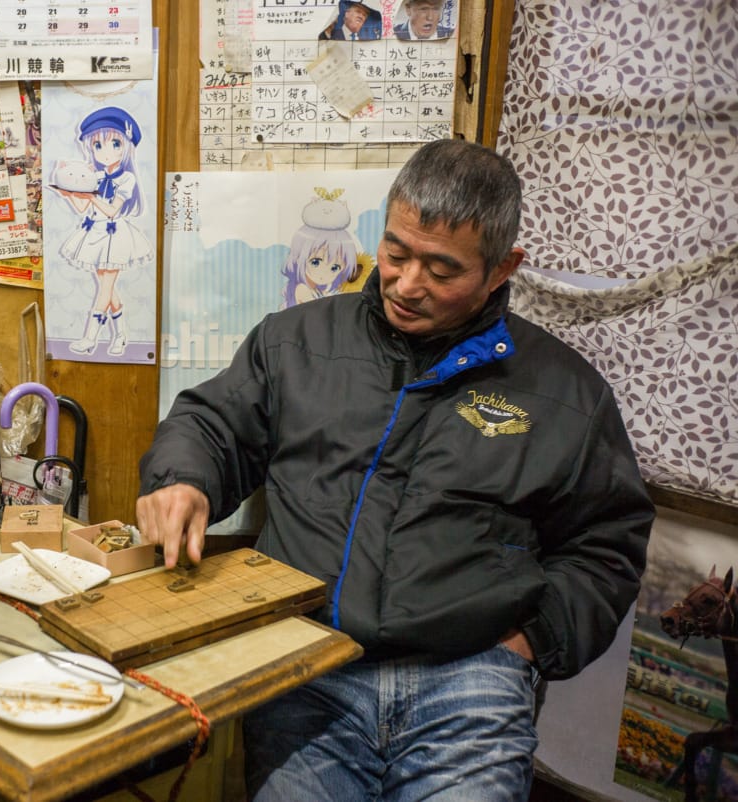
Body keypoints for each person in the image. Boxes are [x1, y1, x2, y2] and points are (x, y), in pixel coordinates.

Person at [136, 139, 653, 801]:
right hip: (307, 667)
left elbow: (606, 546)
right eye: (397, 252)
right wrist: (181, 478)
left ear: (502, 268)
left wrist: (533, 640)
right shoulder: (297, 341)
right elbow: (211, 425)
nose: (407, 285)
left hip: (470, 679)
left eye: (442, 269)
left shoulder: (565, 393)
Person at [52, 106, 154, 356]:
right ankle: (120, 335)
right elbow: (81, 206)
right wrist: (66, 193)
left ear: (126, 145)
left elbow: (112, 211)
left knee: (105, 288)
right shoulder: (94, 175)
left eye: (115, 144)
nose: (105, 152)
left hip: (115, 235)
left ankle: (90, 338)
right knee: (109, 289)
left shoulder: (127, 179)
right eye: (98, 145)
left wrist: (89, 194)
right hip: (92, 234)